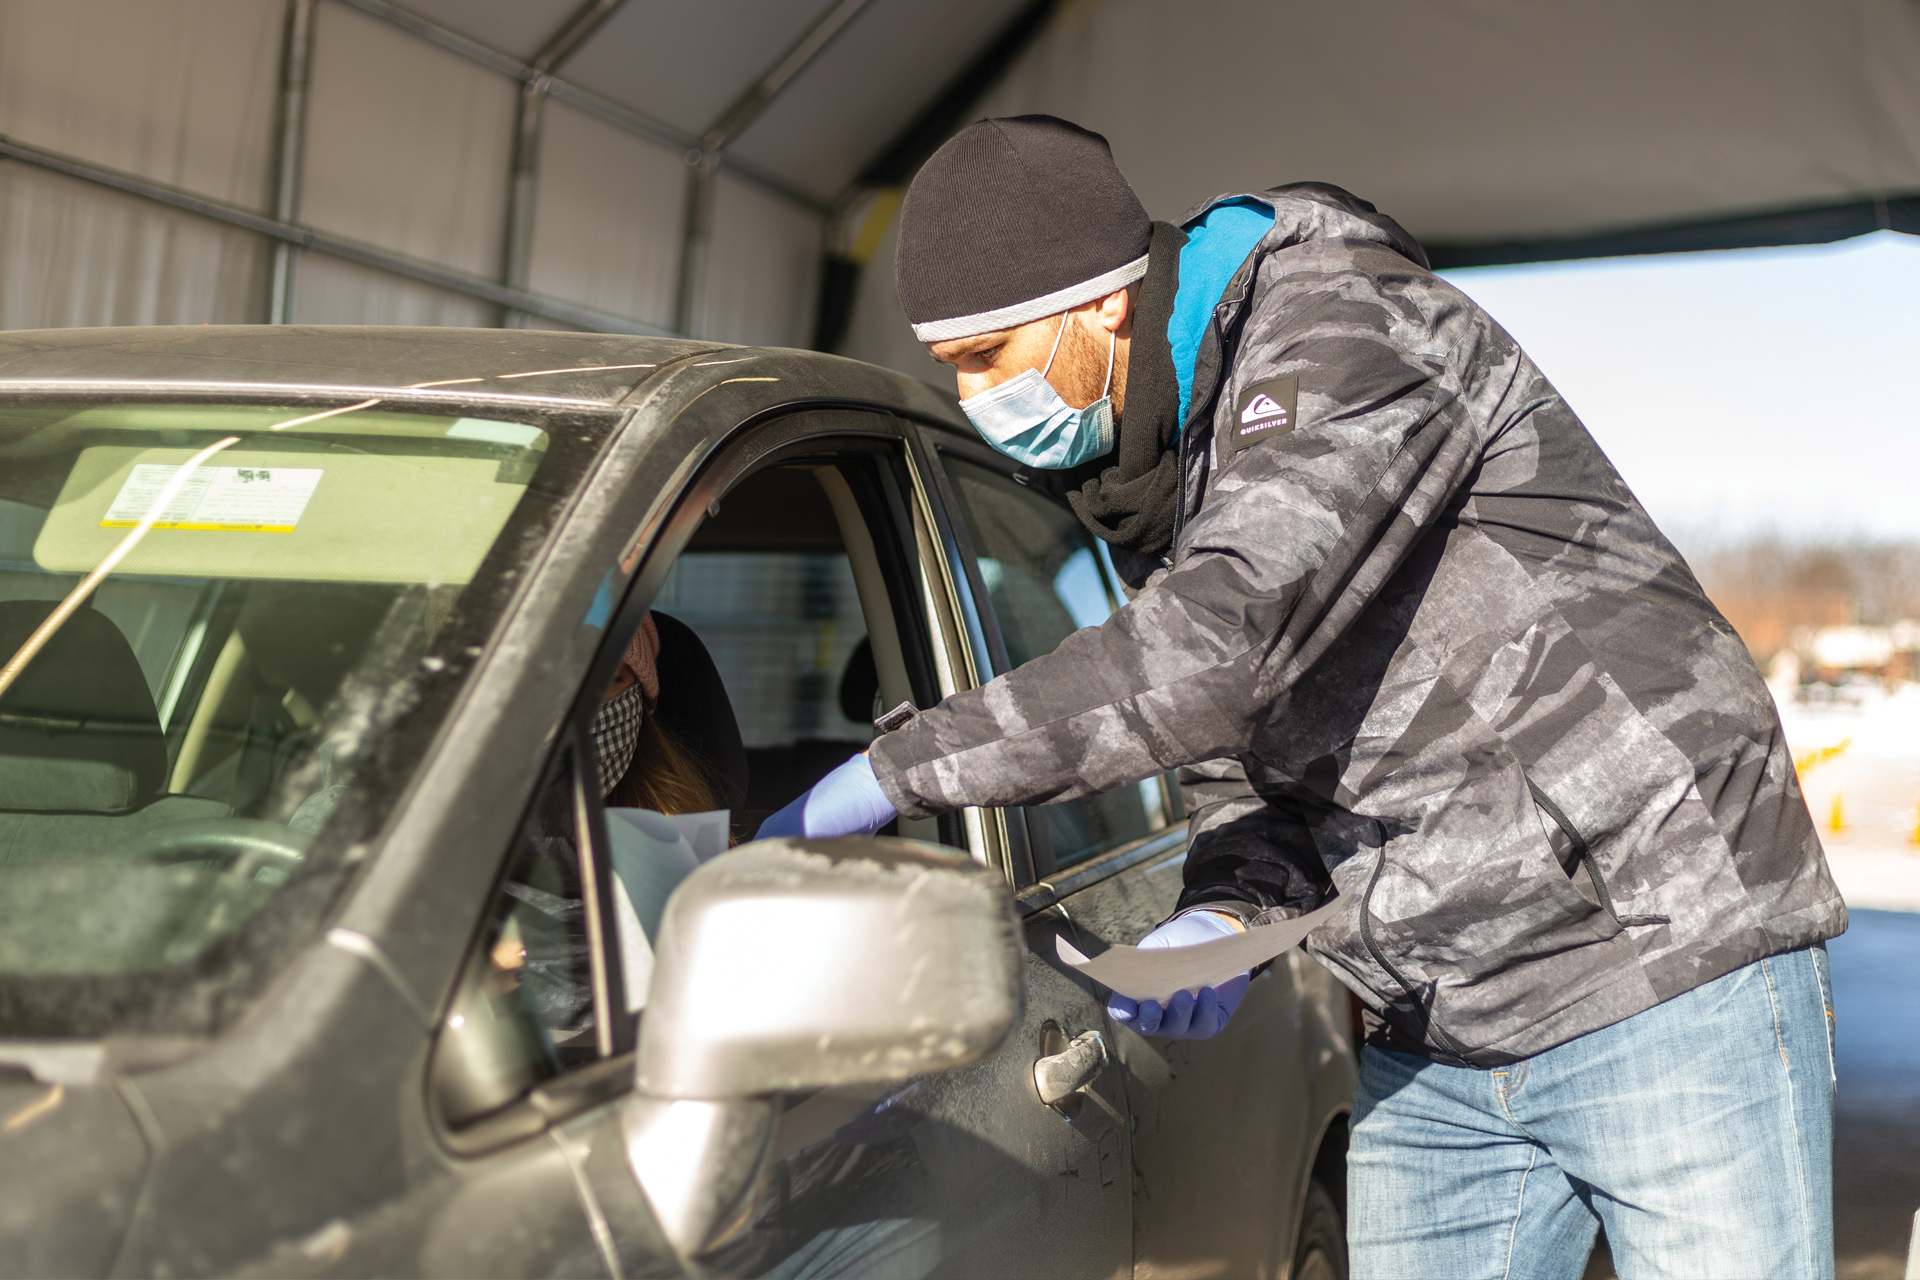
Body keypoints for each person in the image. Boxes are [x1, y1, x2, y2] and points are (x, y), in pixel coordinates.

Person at [760, 115, 1845, 1278]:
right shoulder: (1154, 468)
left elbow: (1223, 649)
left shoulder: (1337, 329)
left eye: (987, 355)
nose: (975, 394)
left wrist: (895, 770)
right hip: (1440, 1016)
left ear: (1099, 304)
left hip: (1657, 949)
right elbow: (1239, 746)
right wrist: (1225, 908)